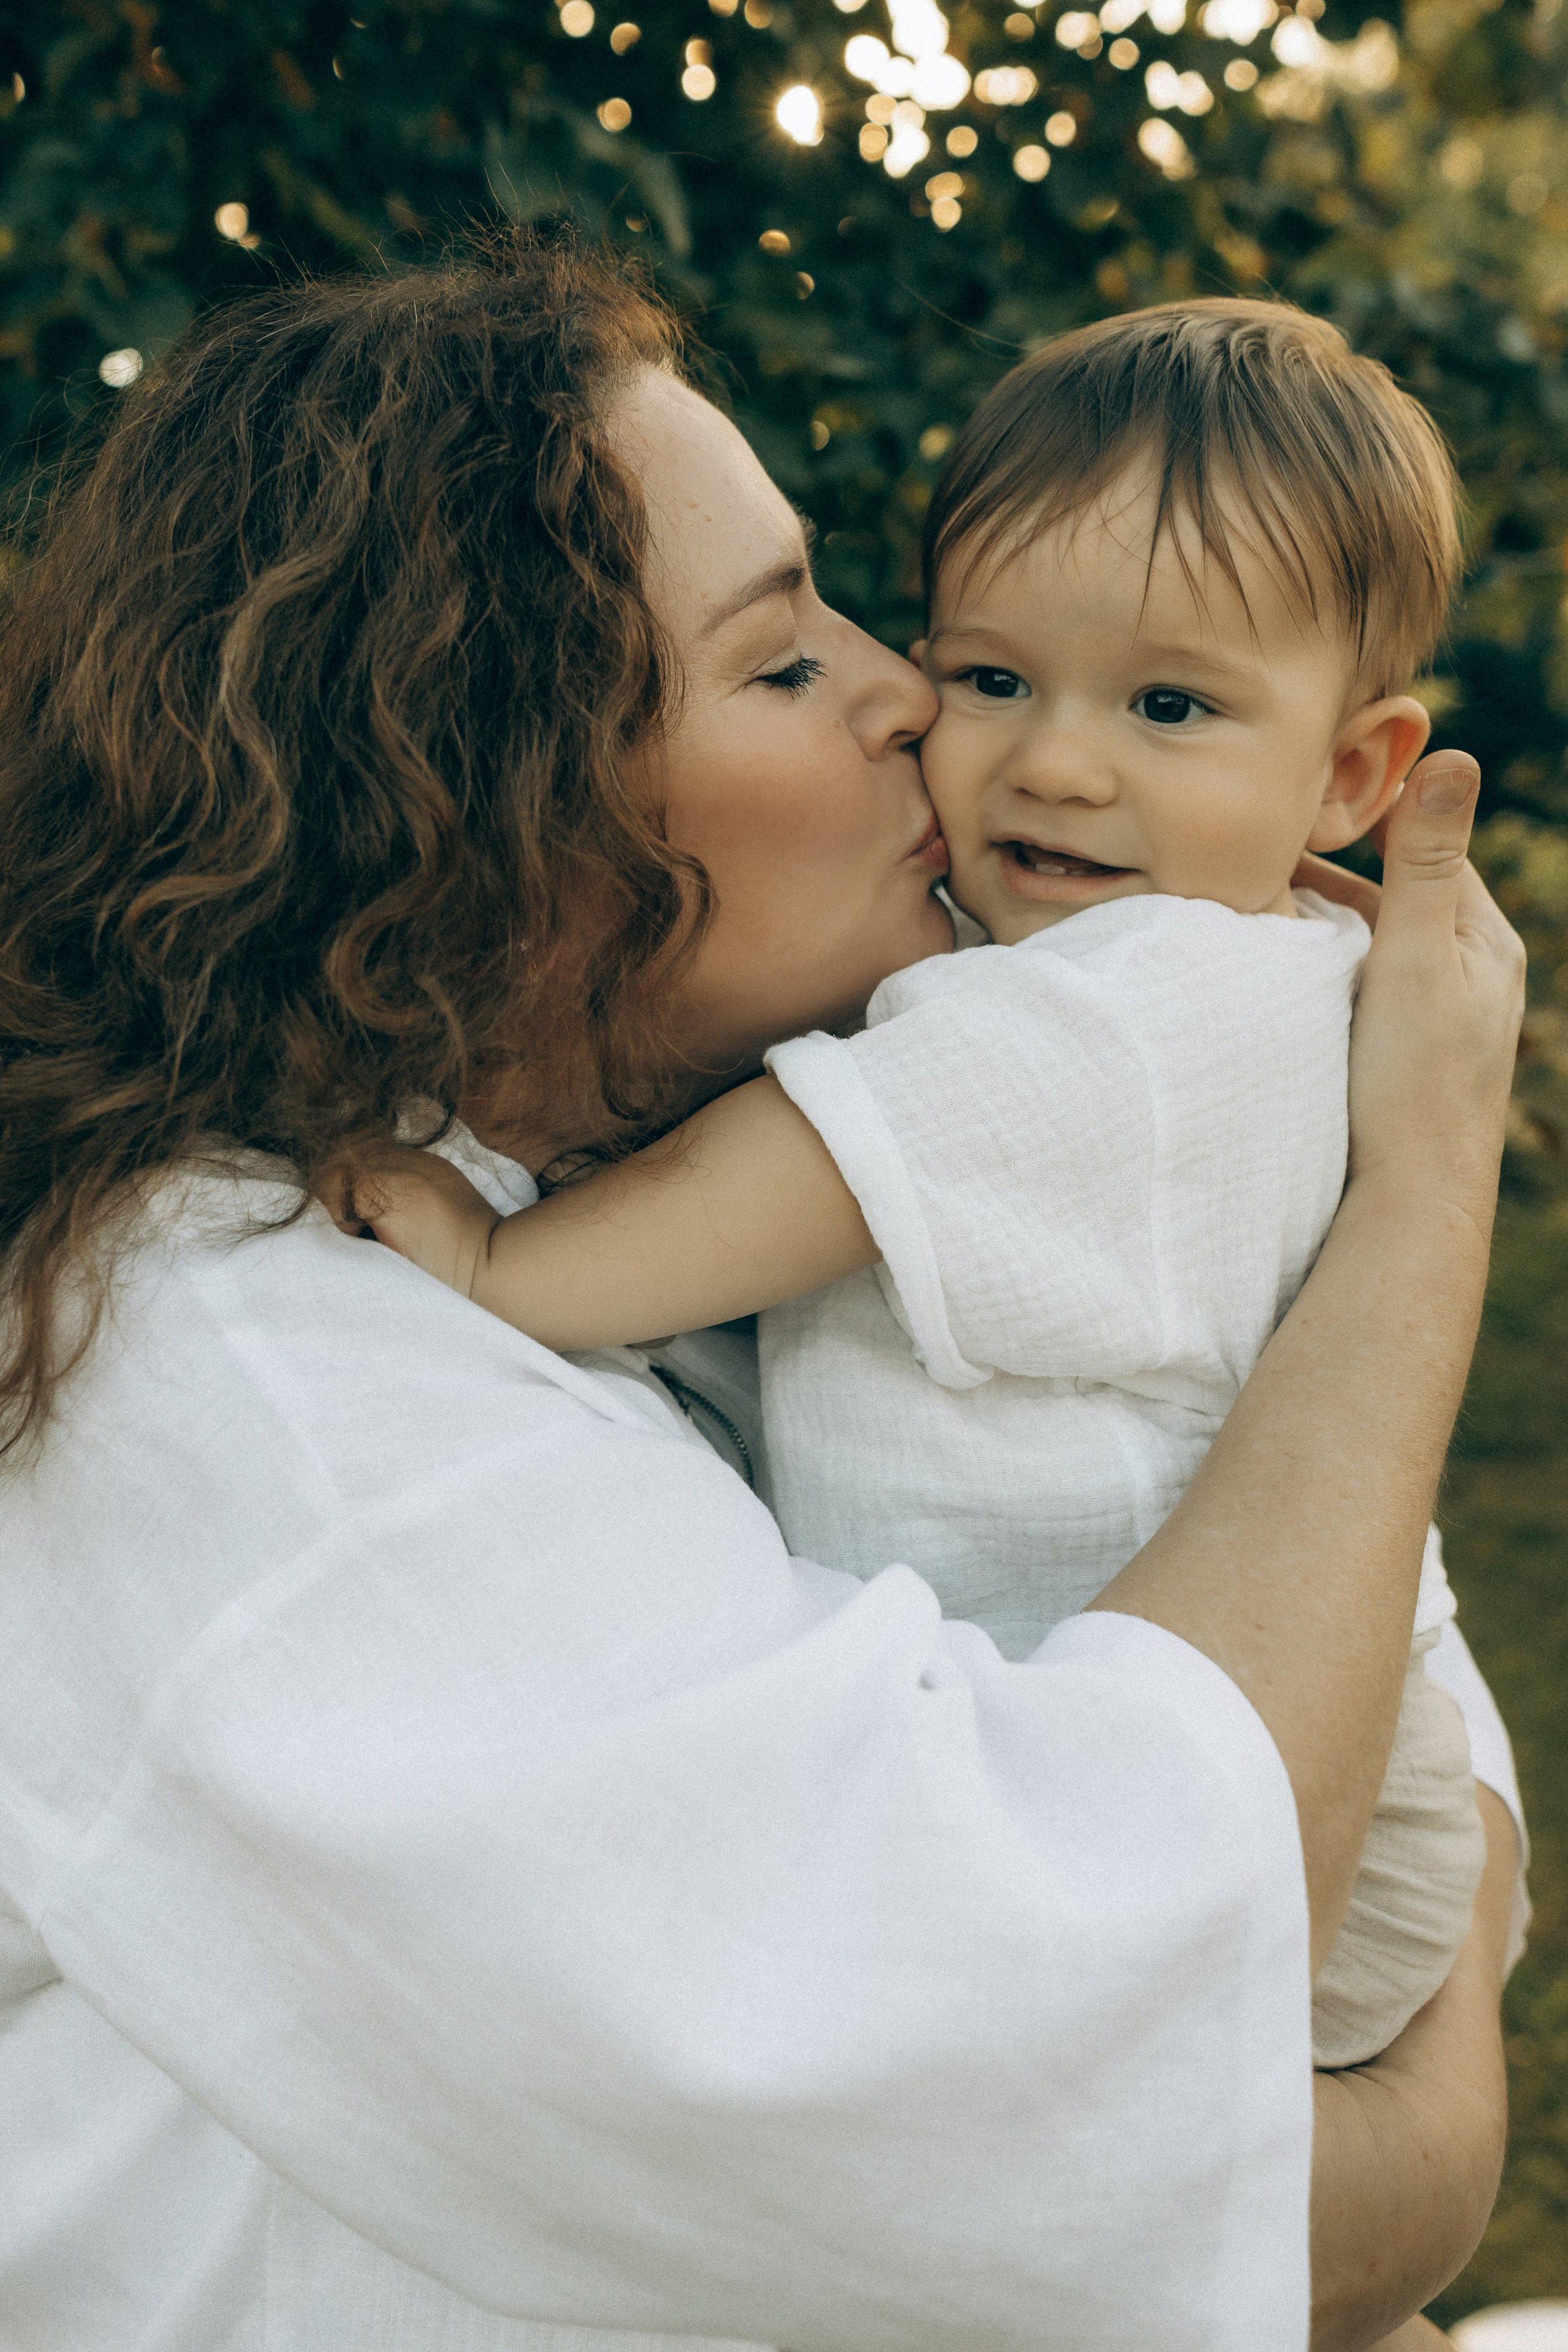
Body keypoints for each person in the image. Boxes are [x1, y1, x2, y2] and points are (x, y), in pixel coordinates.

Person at [0, 239, 1527, 2352]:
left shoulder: (555, 1203)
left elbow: (1338, 1623)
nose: (916, 688)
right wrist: (1427, 1192)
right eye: (784, 659)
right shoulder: (254, 1386)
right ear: (492, 810)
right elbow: (1081, 2143)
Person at [361, 301, 1488, 2075]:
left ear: (1353, 776)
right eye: (994, 678)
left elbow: (805, 1167)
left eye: (1170, 705)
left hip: (1269, 1792)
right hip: (1298, 1729)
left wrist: (504, 1268)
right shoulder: (1248, 964)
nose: (1056, 760)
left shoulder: (1140, 1002)